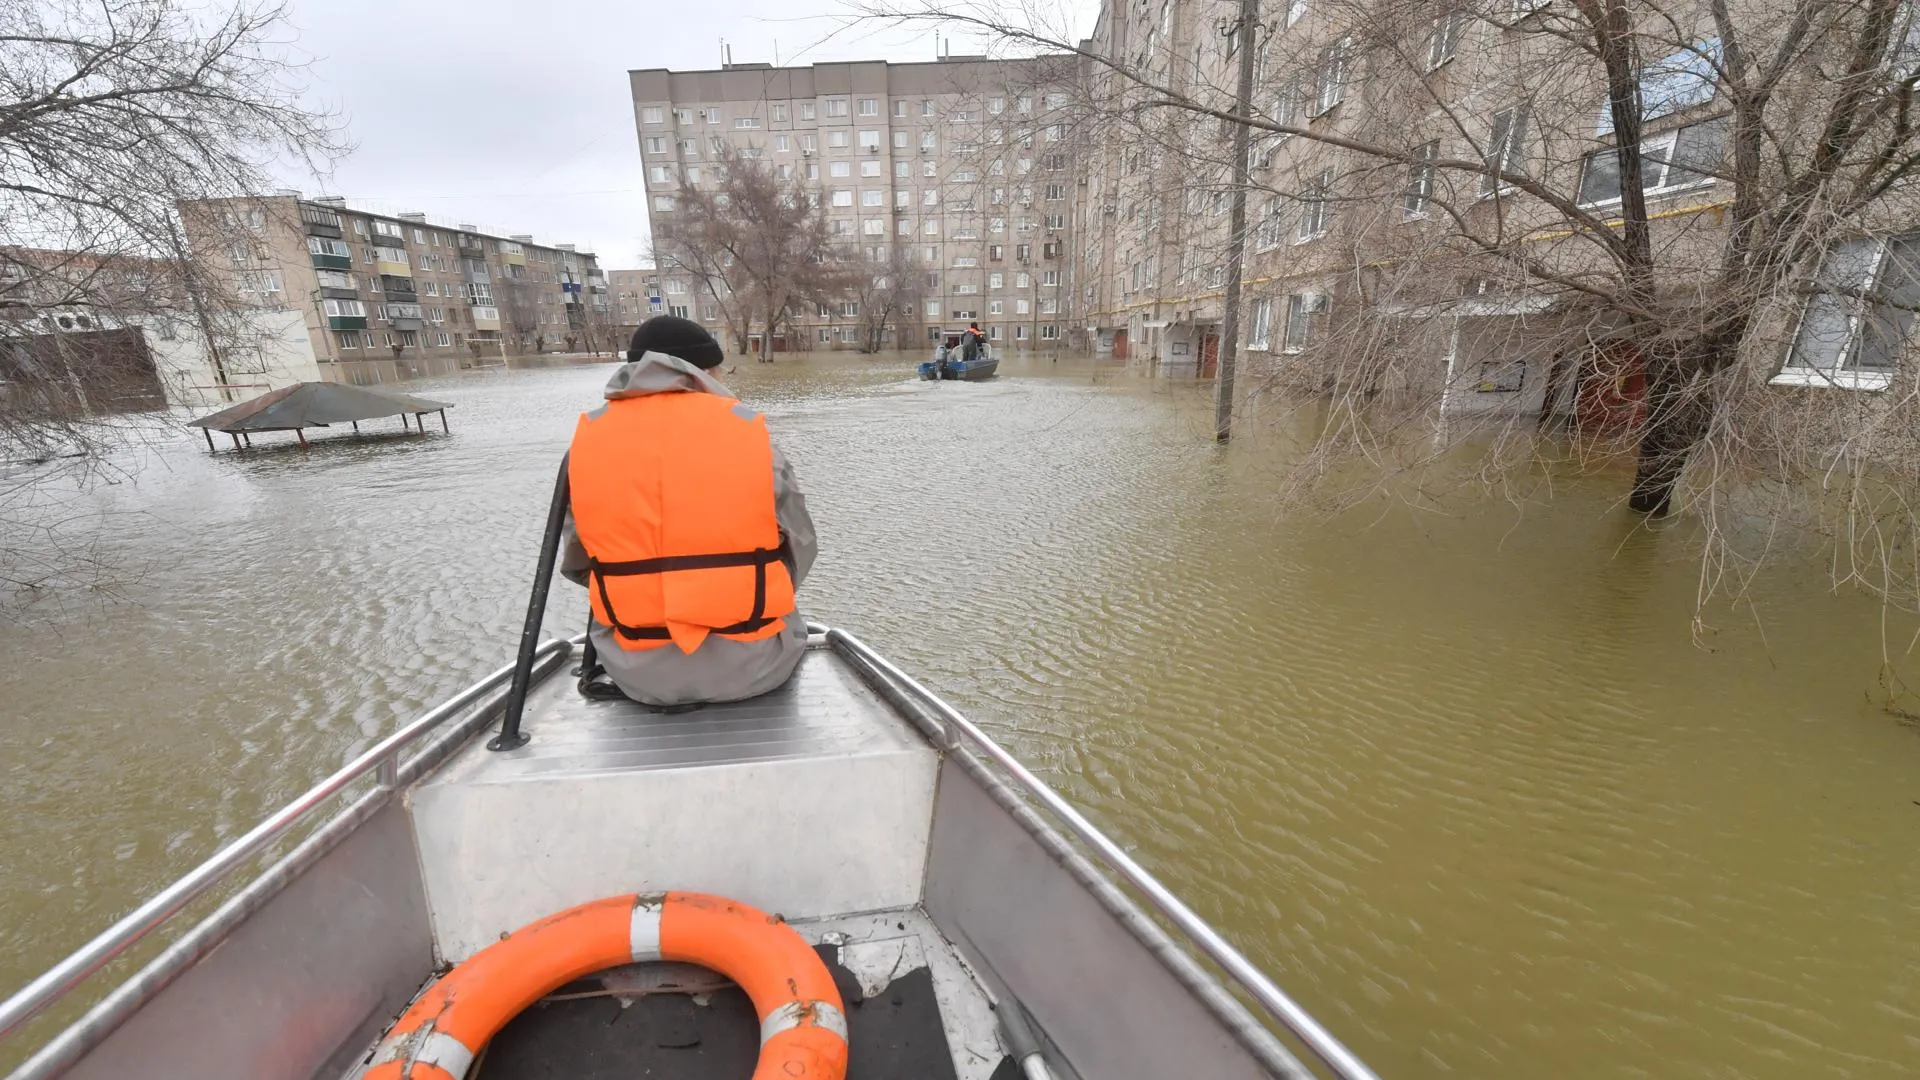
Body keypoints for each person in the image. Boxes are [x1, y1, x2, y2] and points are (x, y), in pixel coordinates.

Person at [559, 315, 816, 708]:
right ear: (704, 371)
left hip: (635, 672)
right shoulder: (748, 435)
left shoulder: (587, 443)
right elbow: (801, 545)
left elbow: (578, 561)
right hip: (756, 665)